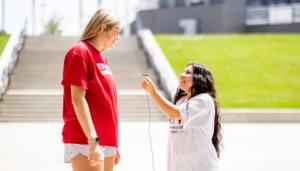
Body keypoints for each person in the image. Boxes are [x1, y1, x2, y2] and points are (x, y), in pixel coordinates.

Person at [61, 8, 120, 171]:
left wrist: (114, 143)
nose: (118, 38)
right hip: (86, 138)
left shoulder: (101, 57)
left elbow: (107, 102)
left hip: (106, 140)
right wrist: (92, 138)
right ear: (103, 27)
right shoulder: (79, 52)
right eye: (116, 31)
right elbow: (77, 98)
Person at [141, 63, 222, 171]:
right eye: (183, 71)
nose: (182, 75)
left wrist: (153, 92)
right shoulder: (181, 101)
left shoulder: (204, 100)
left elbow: (174, 113)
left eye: (188, 72)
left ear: (199, 78)